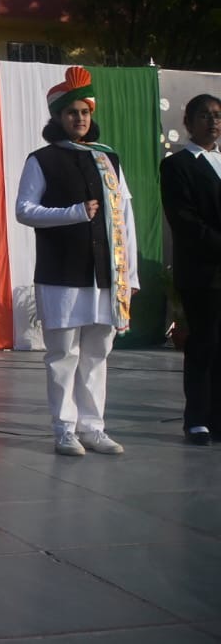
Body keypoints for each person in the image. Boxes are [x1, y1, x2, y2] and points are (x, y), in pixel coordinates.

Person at [15, 65, 138, 456]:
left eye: (84, 112)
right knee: (63, 354)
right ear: (58, 117)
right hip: (61, 275)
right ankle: (64, 428)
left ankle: (93, 427)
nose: (80, 119)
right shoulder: (42, 159)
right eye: (72, 113)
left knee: (98, 353)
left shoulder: (108, 158)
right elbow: (24, 210)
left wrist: (130, 276)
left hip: (106, 275)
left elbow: (125, 218)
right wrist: (73, 213)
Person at [159, 93, 221, 446]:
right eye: (204, 115)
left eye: (217, 115)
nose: (213, 122)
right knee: (204, 344)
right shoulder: (177, 165)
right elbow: (184, 220)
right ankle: (197, 419)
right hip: (202, 272)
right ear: (188, 122)